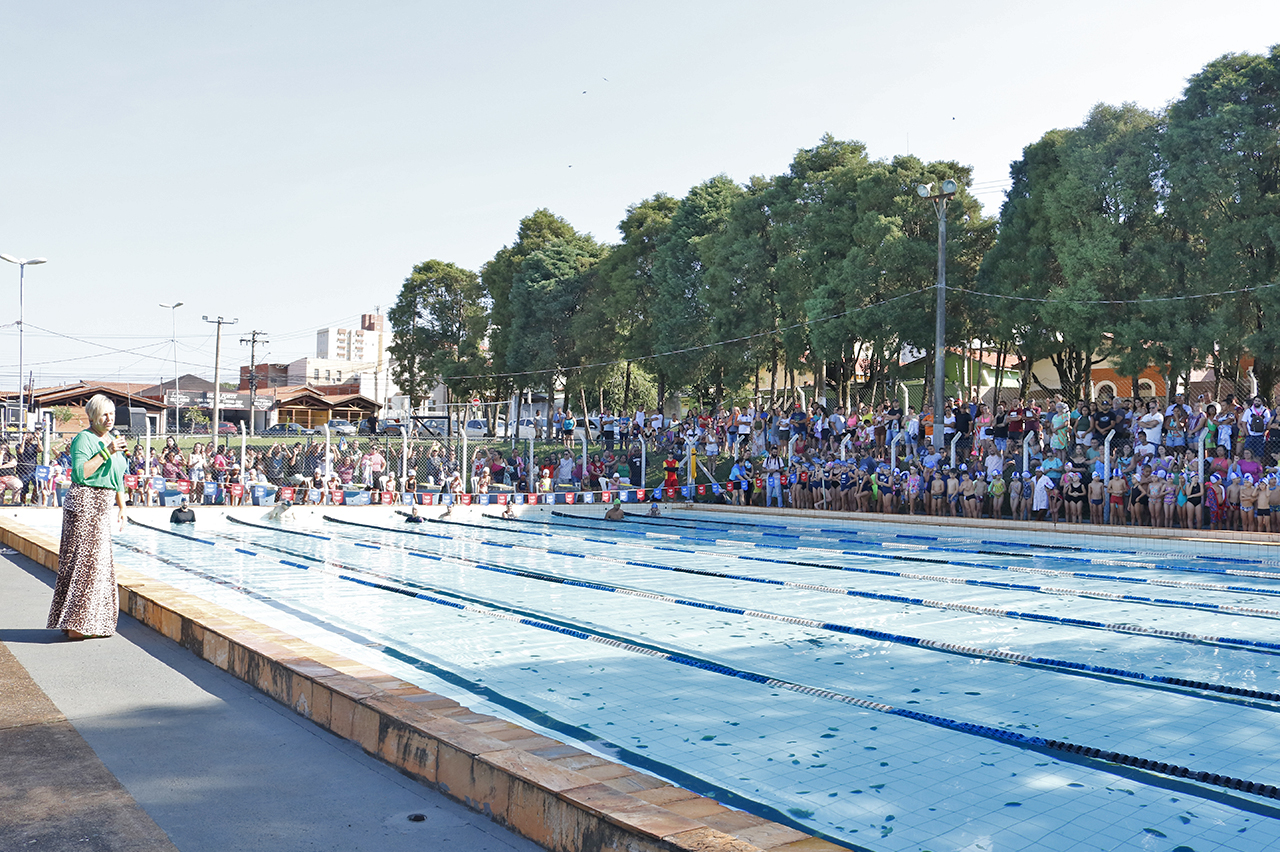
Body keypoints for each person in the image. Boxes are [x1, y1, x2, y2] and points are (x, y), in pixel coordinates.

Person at [47, 394, 128, 641]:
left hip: (103, 505)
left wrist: (122, 506)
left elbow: (118, 476)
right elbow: (80, 474)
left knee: (100, 566)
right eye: (104, 414)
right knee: (85, 564)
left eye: (112, 414)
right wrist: (108, 451)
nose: (109, 418)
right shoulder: (84, 439)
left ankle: (91, 622)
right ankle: (76, 625)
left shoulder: (113, 439)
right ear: (92, 416)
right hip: (84, 503)